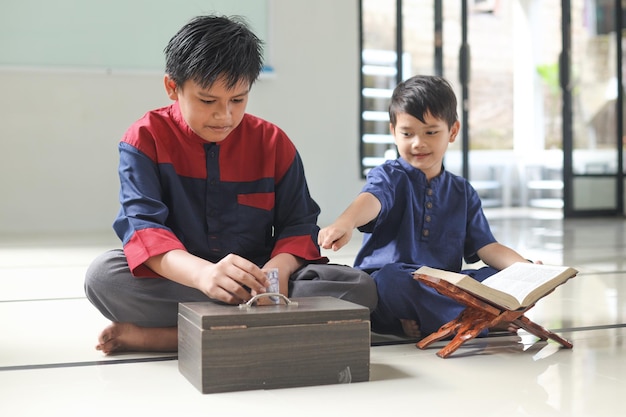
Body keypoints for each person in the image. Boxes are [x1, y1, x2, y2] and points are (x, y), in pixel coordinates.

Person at [85, 15, 377, 354]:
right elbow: (144, 230)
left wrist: (276, 273)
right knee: (104, 277)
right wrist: (204, 277)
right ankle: (266, 329)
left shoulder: (272, 142)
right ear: (171, 87)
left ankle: (170, 336)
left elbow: (298, 225)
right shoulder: (144, 139)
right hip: (184, 276)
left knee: (359, 288)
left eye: (237, 100)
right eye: (208, 101)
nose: (224, 116)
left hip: (260, 284)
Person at [318, 75, 534, 339]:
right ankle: (479, 319)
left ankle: (435, 320)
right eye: (407, 134)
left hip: (443, 287)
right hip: (395, 287)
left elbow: (487, 247)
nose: (418, 143)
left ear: (452, 131)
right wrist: (346, 221)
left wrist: (526, 268)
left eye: (431, 132)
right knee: (390, 279)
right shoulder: (389, 175)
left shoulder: (462, 191)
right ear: (393, 132)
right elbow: (372, 199)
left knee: (495, 277)